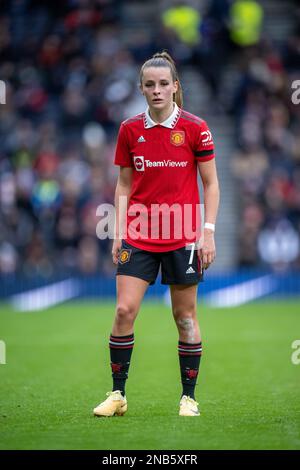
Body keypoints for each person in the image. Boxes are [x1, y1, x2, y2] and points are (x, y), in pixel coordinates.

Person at [93, 51, 220, 417]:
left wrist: (207, 232)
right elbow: (124, 182)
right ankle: (117, 395)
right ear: (142, 89)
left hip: (182, 234)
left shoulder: (196, 128)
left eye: (164, 84)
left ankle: (189, 398)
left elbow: (211, 184)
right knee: (123, 310)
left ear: (176, 87)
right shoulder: (130, 129)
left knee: (185, 318)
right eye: (150, 84)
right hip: (138, 233)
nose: (157, 90)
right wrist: (118, 228)